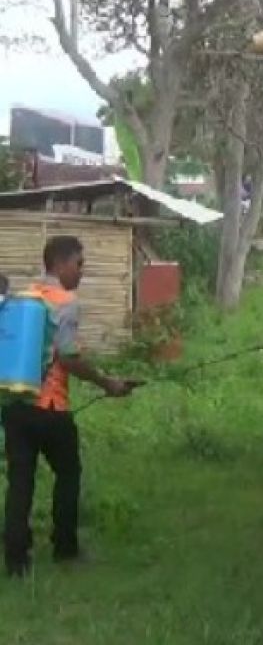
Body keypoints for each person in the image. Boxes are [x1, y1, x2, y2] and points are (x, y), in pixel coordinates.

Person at [2, 235, 133, 578]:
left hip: (16, 405)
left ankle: (16, 561)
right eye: (79, 263)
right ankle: (65, 549)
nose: (81, 271)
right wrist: (108, 383)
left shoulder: (24, 297)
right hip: (51, 407)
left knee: (20, 482)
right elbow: (69, 358)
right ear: (59, 264)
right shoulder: (66, 302)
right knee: (69, 474)